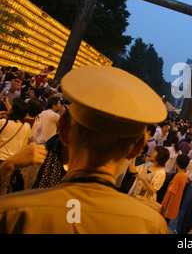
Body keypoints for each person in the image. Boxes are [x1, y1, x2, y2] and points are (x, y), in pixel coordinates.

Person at [0, 65, 169, 233]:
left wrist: (7, 166)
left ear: (64, 129)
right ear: (137, 148)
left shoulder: (12, 213)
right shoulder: (150, 225)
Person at [128, 145, 170, 211]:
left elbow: (153, 191)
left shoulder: (161, 173)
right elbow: (132, 170)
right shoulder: (148, 165)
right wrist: (134, 156)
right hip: (135, 196)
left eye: (154, 152)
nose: (152, 153)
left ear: (159, 157)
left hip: (146, 203)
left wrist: (144, 180)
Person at [159, 154, 190, 224]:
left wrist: (167, 208)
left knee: (163, 222)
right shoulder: (184, 175)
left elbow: (172, 193)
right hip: (175, 203)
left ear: (177, 164)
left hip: (169, 203)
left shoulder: (178, 176)